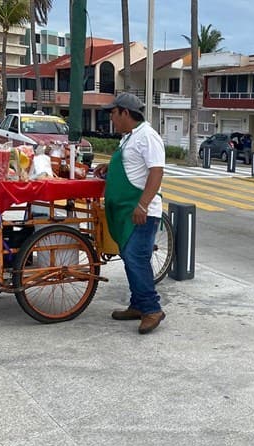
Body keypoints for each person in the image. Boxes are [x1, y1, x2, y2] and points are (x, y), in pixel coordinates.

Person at [93, 92, 166, 334]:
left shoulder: (148, 136)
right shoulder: (128, 138)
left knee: (136, 258)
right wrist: (109, 167)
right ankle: (138, 304)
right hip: (127, 211)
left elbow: (156, 172)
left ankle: (152, 309)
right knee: (129, 257)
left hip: (141, 211)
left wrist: (143, 205)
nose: (111, 118)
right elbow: (132, 166)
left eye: (113, 113)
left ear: (125, 112)